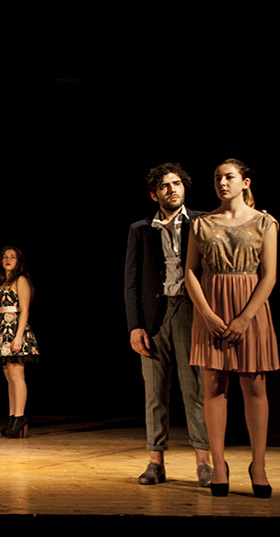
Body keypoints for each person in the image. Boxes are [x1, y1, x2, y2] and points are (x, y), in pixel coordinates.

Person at [185, 158, 278, 498]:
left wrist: (245, 317)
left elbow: (269, 275)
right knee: (214, 385)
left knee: (254, 385)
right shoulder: (202, 224)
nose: (222, 183)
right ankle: (219, 466)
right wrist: (208, 315)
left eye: (229, 177)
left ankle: (258, 465)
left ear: (245, 182)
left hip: (250, 309)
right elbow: (190, 271)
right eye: (217, 178)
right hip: (213, 309)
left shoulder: (265, 222)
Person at [124, 162, 212, 487]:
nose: (172, 189)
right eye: (164, 185)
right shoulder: (140, 229)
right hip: (154, 316)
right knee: (154, 392)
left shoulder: (203, 222)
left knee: (196, 389)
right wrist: (135, 326)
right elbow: (131, 282)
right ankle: (155, 462)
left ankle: (204, 463)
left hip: (190, 309)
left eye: (176, 183)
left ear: (184, 187)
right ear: (154, 194)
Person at [0, 245, 39, 439]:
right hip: (3, 330)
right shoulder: (3, 282)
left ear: (18, 261)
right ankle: (12, 418)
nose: (8, 260)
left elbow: (25, 310)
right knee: (9, 376)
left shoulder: (21, 280)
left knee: (17, 375)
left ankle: (20, 417)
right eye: (5, 257)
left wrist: (18, 336)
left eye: (12, 257)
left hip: (16, 330)